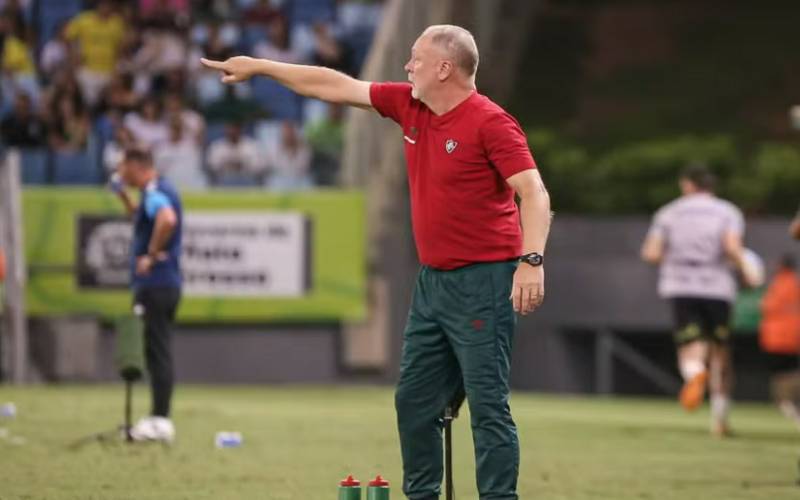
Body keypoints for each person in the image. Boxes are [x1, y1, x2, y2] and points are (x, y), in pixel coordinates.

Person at [201, 24, 551, 500]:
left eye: (416, 59)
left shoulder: (491, 122)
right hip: (433, 283)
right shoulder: (410, 104)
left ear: (445, 68)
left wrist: (531, 261)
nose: (408, 67)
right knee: (413, 401)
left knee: (488, 405)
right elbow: (335, 85)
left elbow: (533, 191)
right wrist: (261, 67)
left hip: (484, 280)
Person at [641, 165, 758, 437]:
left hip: (681, 286)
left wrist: (675, 257)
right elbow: (731, 247)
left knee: (690, 347)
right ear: (711, 186)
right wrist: (749, 271)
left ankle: (694, 375)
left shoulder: (669, 212)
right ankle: (719, 421)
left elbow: (651, 253)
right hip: (718, 288)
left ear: (687, 185)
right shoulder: (727, 211)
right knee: (720, 354)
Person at [109, 147, 183, 442]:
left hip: (156, 284)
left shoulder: (155, 191)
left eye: (122, 166)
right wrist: (124, 197)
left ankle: (160, 419)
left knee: (157, 352)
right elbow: (145, 216)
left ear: (135, 165)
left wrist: (151, 255)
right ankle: (157, 416)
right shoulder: (153, 191)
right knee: (155, 352)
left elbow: (166, 219)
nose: (119, 172)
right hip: (163, 285)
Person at [759, 254, 800, 430]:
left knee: (780, 375)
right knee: (790, 371)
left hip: (776, 338)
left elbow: (766, 307)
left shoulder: (778, 284)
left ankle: (787, 403)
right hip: (794, 337)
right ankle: (788, 402)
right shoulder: (796, 284)